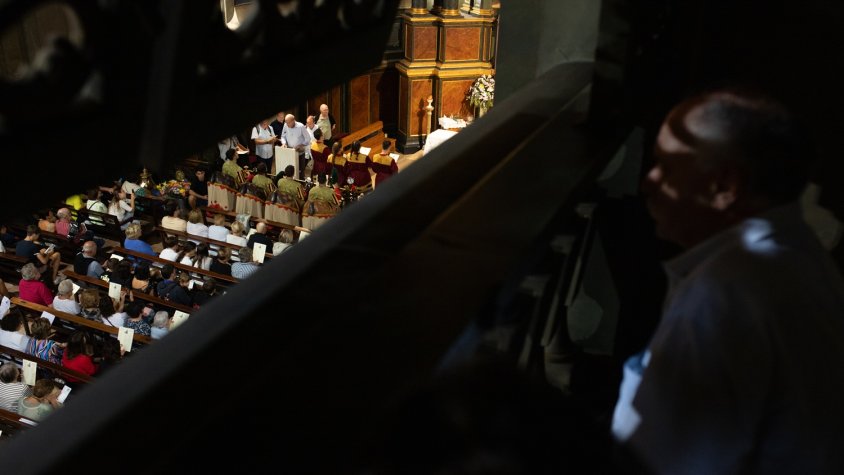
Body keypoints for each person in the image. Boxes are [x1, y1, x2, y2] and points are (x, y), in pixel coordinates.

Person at [611, 90, 844, 474]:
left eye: (664, 166)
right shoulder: (803, 257)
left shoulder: (722, 296)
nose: (648, 184)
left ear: (724, 187)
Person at [281, 114, 311, 179]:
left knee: (300, 171)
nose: (287, 125)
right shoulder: (285, 125)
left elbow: (308, 139)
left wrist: (301, 145)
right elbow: (283, 136)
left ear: (293, 121)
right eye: (286, 122)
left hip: (299, 153)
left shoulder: (301, 126)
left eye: (288, 123)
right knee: (290, 170)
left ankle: (301, 184)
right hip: (289, 152)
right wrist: (284, 143)